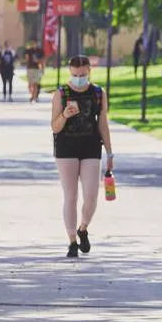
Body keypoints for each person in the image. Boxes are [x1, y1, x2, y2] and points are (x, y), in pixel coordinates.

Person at [51, 55, 114, 258]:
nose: (79, 78)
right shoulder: (61, 93)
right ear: (70, 72)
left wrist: (110, 151)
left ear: (89, 71)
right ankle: (71, 240)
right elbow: (54, 127)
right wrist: (65, 115)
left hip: (91, 146)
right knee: (70, 195)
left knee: (91, 195)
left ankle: (83, 227)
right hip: (66, 147)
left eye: (83, 74)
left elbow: (103, 123)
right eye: (76, 74)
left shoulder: (97, 93)